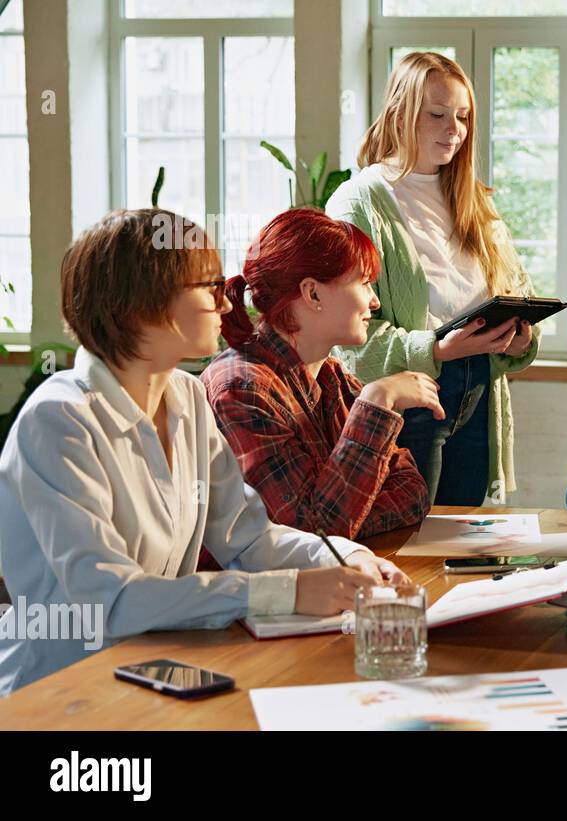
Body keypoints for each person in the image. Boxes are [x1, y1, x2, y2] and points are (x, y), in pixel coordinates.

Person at [0, 209, 405, 695]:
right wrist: (283, 591)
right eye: (207, 287)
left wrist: (349, 558)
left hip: (154, 673)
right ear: (143, 303)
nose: (226, 304)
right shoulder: (59, 420)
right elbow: (111, 601)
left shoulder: (187, 396)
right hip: (59, 694)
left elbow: (248, 539)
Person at [326, 51, 538, 505]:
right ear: (400, 113)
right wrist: (436, 349)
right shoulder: (358, 201)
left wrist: (520, 338)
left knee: (462, 539)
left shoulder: (474, 200)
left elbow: (518, 291)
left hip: (478, 385)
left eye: (463, 117)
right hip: (412, 399)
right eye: (438, 115)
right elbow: (346, 339)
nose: (454, 130)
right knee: (411, 539)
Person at [203, 208, 439, 540]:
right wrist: (376, 400)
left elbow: (413, 493)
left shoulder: (333, 378)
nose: (374, 302)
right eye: (363, 283)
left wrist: (346, 519)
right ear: (312, 293)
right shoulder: (242, 388)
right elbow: (310, 531)